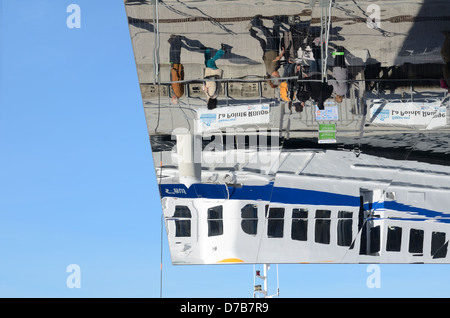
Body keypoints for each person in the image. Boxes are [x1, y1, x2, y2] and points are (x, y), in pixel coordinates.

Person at [249, 15, 284, 87]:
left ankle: (256, 23)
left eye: (278, 76)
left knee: (269, 35)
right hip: (273, 51)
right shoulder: (271, 71)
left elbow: (275, 60)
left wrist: (282, 54)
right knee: (276, 35)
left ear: (275, 77)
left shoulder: (271, 70)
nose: (279, 74)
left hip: (271, 50)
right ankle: (276, 20)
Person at [203, 45, 226, 109]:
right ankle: (222, 51)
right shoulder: (212, 94)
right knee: (210, 61)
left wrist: (204, 88)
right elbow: (213, 84)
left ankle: (207, 50)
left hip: (213, 74)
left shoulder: (214, 96)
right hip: (212, 74)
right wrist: (205, 87)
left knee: (207, 62)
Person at [168, 35, 185, 104]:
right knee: (175, 55)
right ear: (174, 99)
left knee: (173, 56)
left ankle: (172, 42)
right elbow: (176, 80)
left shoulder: (179, 94)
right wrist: (173, 71)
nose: (172, 98)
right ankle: (177, 40)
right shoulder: (177, 92)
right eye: (172, 99)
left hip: (177, 69)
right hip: (176, 69)